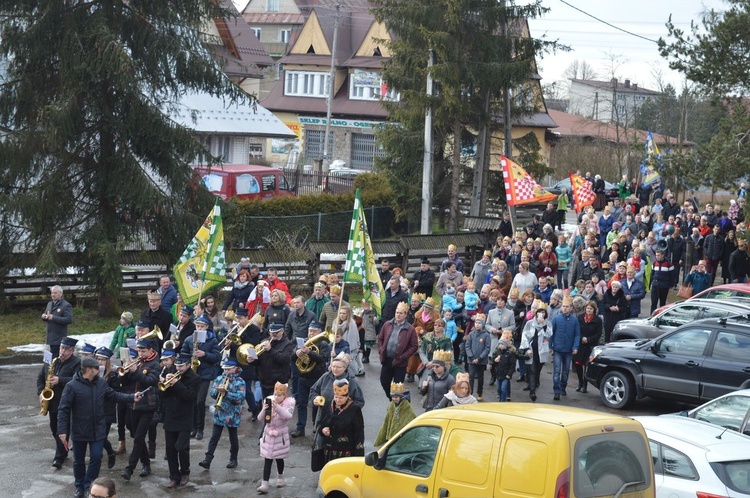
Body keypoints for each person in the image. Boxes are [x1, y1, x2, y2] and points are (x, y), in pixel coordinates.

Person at [58, 357, 138, 497]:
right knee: (79, 461)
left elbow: (114, 395)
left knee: (96, 457)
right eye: (97, 368)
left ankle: (89, 486)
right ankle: (79, 487)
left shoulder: (101, 383)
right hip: (79, 429)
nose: (100, 369)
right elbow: (63, 409)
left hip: (97, 429)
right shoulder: (72, 386)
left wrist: (131, 397)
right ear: (88, 370)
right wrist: (62, 430)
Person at [37, 336, 81, 470]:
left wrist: (60, 380)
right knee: (54, 429)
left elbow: (77, 380)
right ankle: (64, 449)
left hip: (66, 402)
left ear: (72, 351)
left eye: (66, 349)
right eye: (62, 348)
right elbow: (40, 377)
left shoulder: (77, 363)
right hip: (52, 402)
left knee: (62, 430)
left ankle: (59, 457)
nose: (62, 351)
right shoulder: (53, 361)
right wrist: (40, 393)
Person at [120, 337, 160, 481]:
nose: (140, 354)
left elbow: (150, 381)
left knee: (138, 438)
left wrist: (135, 370)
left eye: (143, 351)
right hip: (133, 404)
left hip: (147, 406)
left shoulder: (156, 364)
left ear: (150, 350)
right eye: (139, 351)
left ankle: (129, 469)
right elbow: (124, 383)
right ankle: (146, 464)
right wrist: (125, 370)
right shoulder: (137, 362)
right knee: (136, 436)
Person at [198, 357, 245, 473]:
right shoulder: (219, 379)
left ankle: (233, 459)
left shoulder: (240, 381)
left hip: (233, 413)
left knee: (233, 438)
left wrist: (226, 393)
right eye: (224, 369)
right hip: (220, 411)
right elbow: (212, 394)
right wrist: (218, 391)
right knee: (214, 437)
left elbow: (240, 398)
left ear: (235, 368)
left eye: (228, 369)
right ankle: (207, 460)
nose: (226, 372)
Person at [161, 352, 201, 488]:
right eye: (177, 365)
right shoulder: (171, 373)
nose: (178, 369)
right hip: (171, 416)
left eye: (182, 366)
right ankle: (174, 477)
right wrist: (164, 383)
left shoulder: (195, 378)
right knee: (170, 449)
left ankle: (185, 472)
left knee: (182, 447)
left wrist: (176, 383)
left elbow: (189, 396)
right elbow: (164, 395)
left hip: (185, 417)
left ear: (189, 365)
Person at [180, 316, 220, 440]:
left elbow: (216, 357)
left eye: (202, 327)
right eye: (198, 326)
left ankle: (200, 429)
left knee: (200, 401)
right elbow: (183, 354)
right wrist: (189, 359)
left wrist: (205, 354)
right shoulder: (189, 339)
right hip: (192, 373)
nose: (200, 329)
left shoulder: (212, 340)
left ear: (207, 327)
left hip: (205, 374)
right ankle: (192, 427)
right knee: (191, 401)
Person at [291, 321, 331, 438]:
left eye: (314, 331)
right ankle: (300, 428)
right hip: (303, 377)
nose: (311, 333)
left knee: (315, 403)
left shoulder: (323, 344)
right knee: (301, 404)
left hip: (317, 378)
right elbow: (293, 359)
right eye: (309, 331)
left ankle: (316, 426)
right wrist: (296, 354)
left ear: (320, 332)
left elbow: (322, 359)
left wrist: (310, 353)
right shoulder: (302, 342)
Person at [256, 382, 295, 493]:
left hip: (280, 436)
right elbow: (260, 418)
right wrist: (264, 409)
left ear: (284, 396)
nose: (277, 397)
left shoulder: (289, 403)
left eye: (279, 395)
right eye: (276, 394)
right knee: (267, 459)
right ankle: (265, 484)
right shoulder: (269, 401)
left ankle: (280, 477)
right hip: (268, 435)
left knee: (279, 458)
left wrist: (277, 407)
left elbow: (287, 416)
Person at [316, 379, 365, 465]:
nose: (338, 400)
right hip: (328, 451)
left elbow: (359, 431)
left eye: (341, 398)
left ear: (347, 397)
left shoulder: (354, 409)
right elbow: (319, 423)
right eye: (336, 397)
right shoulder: (328, 405)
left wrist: (359, 452)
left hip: (346, 453)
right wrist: (322, 430)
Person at [377, 302, 419, 400]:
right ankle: (392, 399)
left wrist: (403, 356)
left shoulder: (410, 329)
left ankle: (398, 403)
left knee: (398, 386)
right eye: (396, 312)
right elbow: (380, 338)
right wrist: (381, 349)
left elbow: (414, 346)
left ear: (405, 315)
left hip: (400, 362)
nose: (398, 315)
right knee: (384, 381)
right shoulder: (387, 324)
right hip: (387, 359)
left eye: (400, 313)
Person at [248, 323, 295, 399]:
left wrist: (270, 350)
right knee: (266, 406)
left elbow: (284, 359)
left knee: (276, 407)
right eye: (271, 333)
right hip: (264, 380)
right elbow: (259, 361)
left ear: (282, 331)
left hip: (278, 382)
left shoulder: (288, 344)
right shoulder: (265, 341)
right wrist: (252, 360)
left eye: (276, 333)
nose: (273, 335)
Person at [519, 307, 552, 402]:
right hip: (532, 350)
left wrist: (543, 324)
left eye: (543, 313)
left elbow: (549, 334)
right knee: (532, 370)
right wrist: (527, 348)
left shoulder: (548, 323)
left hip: (541, 350)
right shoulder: (530, 323)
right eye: (539, 312)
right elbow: (524, 335)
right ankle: (532, 392)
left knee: (537, 371)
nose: (541, 314)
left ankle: (534, 383)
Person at [550, 298, 580, 401]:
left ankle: (563, 387)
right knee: (557, 370)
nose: (565, 308)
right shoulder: (556, 319)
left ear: (571, 308)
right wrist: (550, 346)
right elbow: (551, 333)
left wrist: (575, 347)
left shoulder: (574, 320)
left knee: (566, 371)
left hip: (568, 350)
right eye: (563, 306)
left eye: (567, 307)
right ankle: (556, 391)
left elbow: (577, 335)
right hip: (557, 349)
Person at [374, 382, 416, 446]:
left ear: (401, 397)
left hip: (401, 436)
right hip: (391, 434)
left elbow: (411, 418)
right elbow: (387, 420)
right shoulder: (392, 405)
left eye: (396, 397)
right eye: (392, 397)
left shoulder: (406, 406)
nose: (394, 399)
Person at [574, 301, 601, 393]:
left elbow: (598, 334)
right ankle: (580, 382)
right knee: (577, 364)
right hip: (580, 344)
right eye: (587, 308)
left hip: (590, 345)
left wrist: (588, 339)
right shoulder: (580, 317)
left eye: (591, 309)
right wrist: (582, 338)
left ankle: (585, 385)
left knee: (587, 366)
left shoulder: (598, 320)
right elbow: (577, 330)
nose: (589, 310)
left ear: (594, 310)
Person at [42, 285, 73, 359]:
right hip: (49, 338)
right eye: (52, 293)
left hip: (58, 338)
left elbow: (68, 319)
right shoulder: (49, 304)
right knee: (48, 361)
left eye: (55, 293)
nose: (53, 294)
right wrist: (44, 317)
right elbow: (47, 315)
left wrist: (53, 318)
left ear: (61, 294)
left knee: (55, 360)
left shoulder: (66, 305)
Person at [491, 329, 516, 401]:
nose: (500, 346)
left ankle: (502, 401)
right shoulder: (498, 351)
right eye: (499, 344)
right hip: (498, 374)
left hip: (506, 375)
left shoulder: (510, 353)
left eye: (502, 344)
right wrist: (495, 361)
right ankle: (500, 396)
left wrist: (509, 374)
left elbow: (512, 365)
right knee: (499, 388)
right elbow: (493, 361)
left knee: (503, 388)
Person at [650, 249, 675, 313]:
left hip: (664, 286)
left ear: (663, 255)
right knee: (653, 302)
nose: (657, 257)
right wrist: (651, 283)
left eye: (658, 255)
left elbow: (672, 275)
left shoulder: (669, 264)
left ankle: (661, 315)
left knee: (662, 303)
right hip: (655, 285)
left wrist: (671, 284)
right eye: (656, 255)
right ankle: (652, 315)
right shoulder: (655, 263)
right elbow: (652, 274)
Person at [360, 299, 379, 364]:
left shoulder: (373, 313)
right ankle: (364, 355)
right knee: (361, 345)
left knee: (368, 345)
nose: (366, 309)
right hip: (362, 331)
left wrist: (375, 320)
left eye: (367, 307)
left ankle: (366, 357)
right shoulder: (363, 313)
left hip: (370, 332)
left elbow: (376, 323)